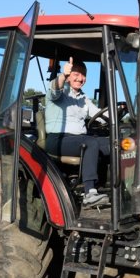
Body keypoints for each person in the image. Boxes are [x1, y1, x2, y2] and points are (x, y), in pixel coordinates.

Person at [45, 57, 109, 206]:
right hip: (57, 139)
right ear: (68, 76)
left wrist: (119, 113)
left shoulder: (83, 98)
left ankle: (117, 186)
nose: (80, 79)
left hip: (78, 139)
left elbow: (98, 114)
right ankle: (90, 193)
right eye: (76, 74)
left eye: (83, 75)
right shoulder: (59, 92)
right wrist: (63, 75)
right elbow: (55, 89)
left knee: (115, 143)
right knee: (90, 142)